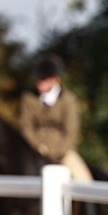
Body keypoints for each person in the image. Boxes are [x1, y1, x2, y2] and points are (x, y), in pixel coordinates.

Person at [20, 53, 94, 183]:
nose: (39, 83)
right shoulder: (28, 98)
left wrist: (56, 152)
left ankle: (90, 201)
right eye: (38, 79)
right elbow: (26, 127)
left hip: (63, 153)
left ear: (54, 79)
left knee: (85, 180)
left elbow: (71, 131)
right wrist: (39, 147)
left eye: (44, 79)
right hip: (35, 150)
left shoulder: (68, 100)